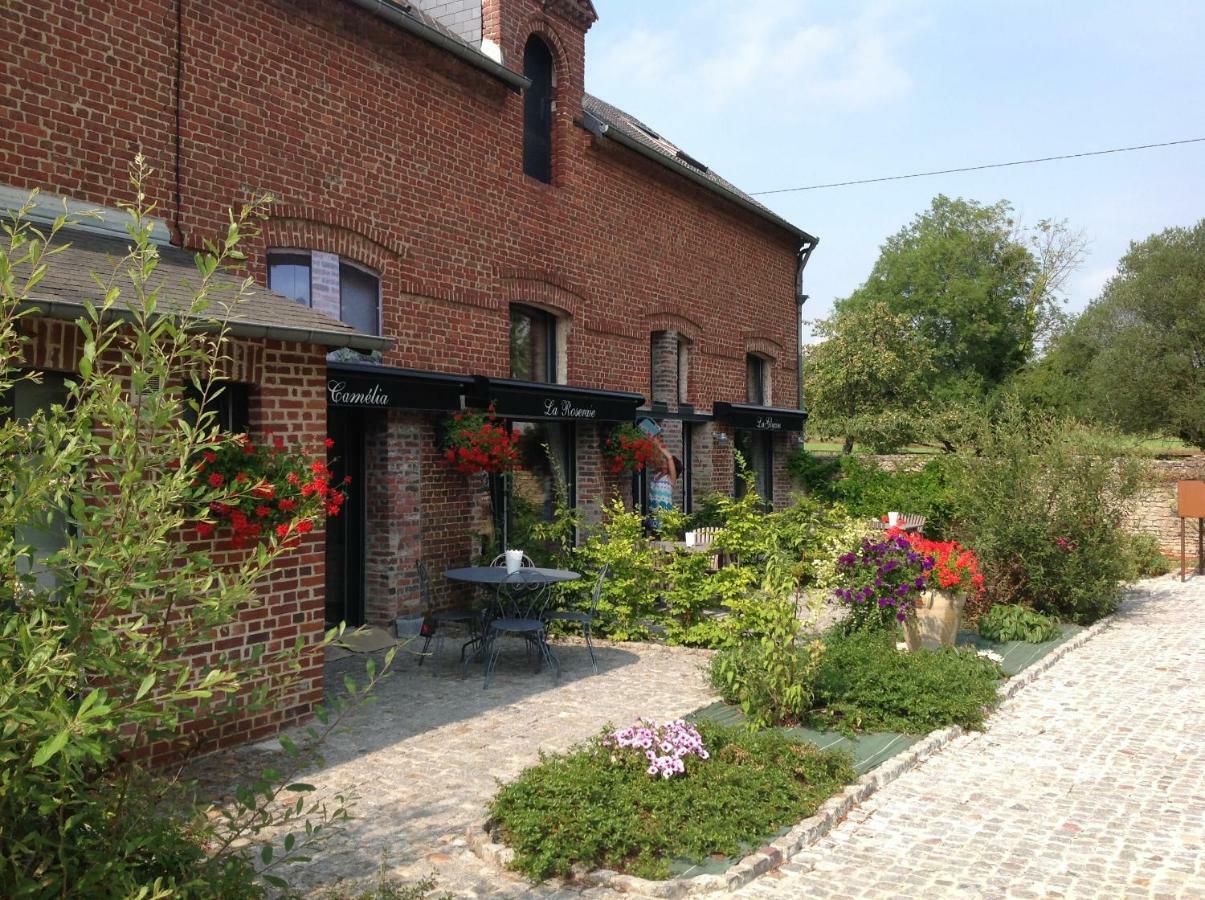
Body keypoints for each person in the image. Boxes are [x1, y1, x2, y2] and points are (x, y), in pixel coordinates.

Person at [647, 443, 681, 533]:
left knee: (663, 538)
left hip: (664, 513)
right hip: (653, 511)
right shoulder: (657, 475)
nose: (665, 462)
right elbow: (654, 459)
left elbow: (669, 457)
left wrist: (658, 444)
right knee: (654, 538)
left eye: (666, 462)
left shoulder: (670, 478)